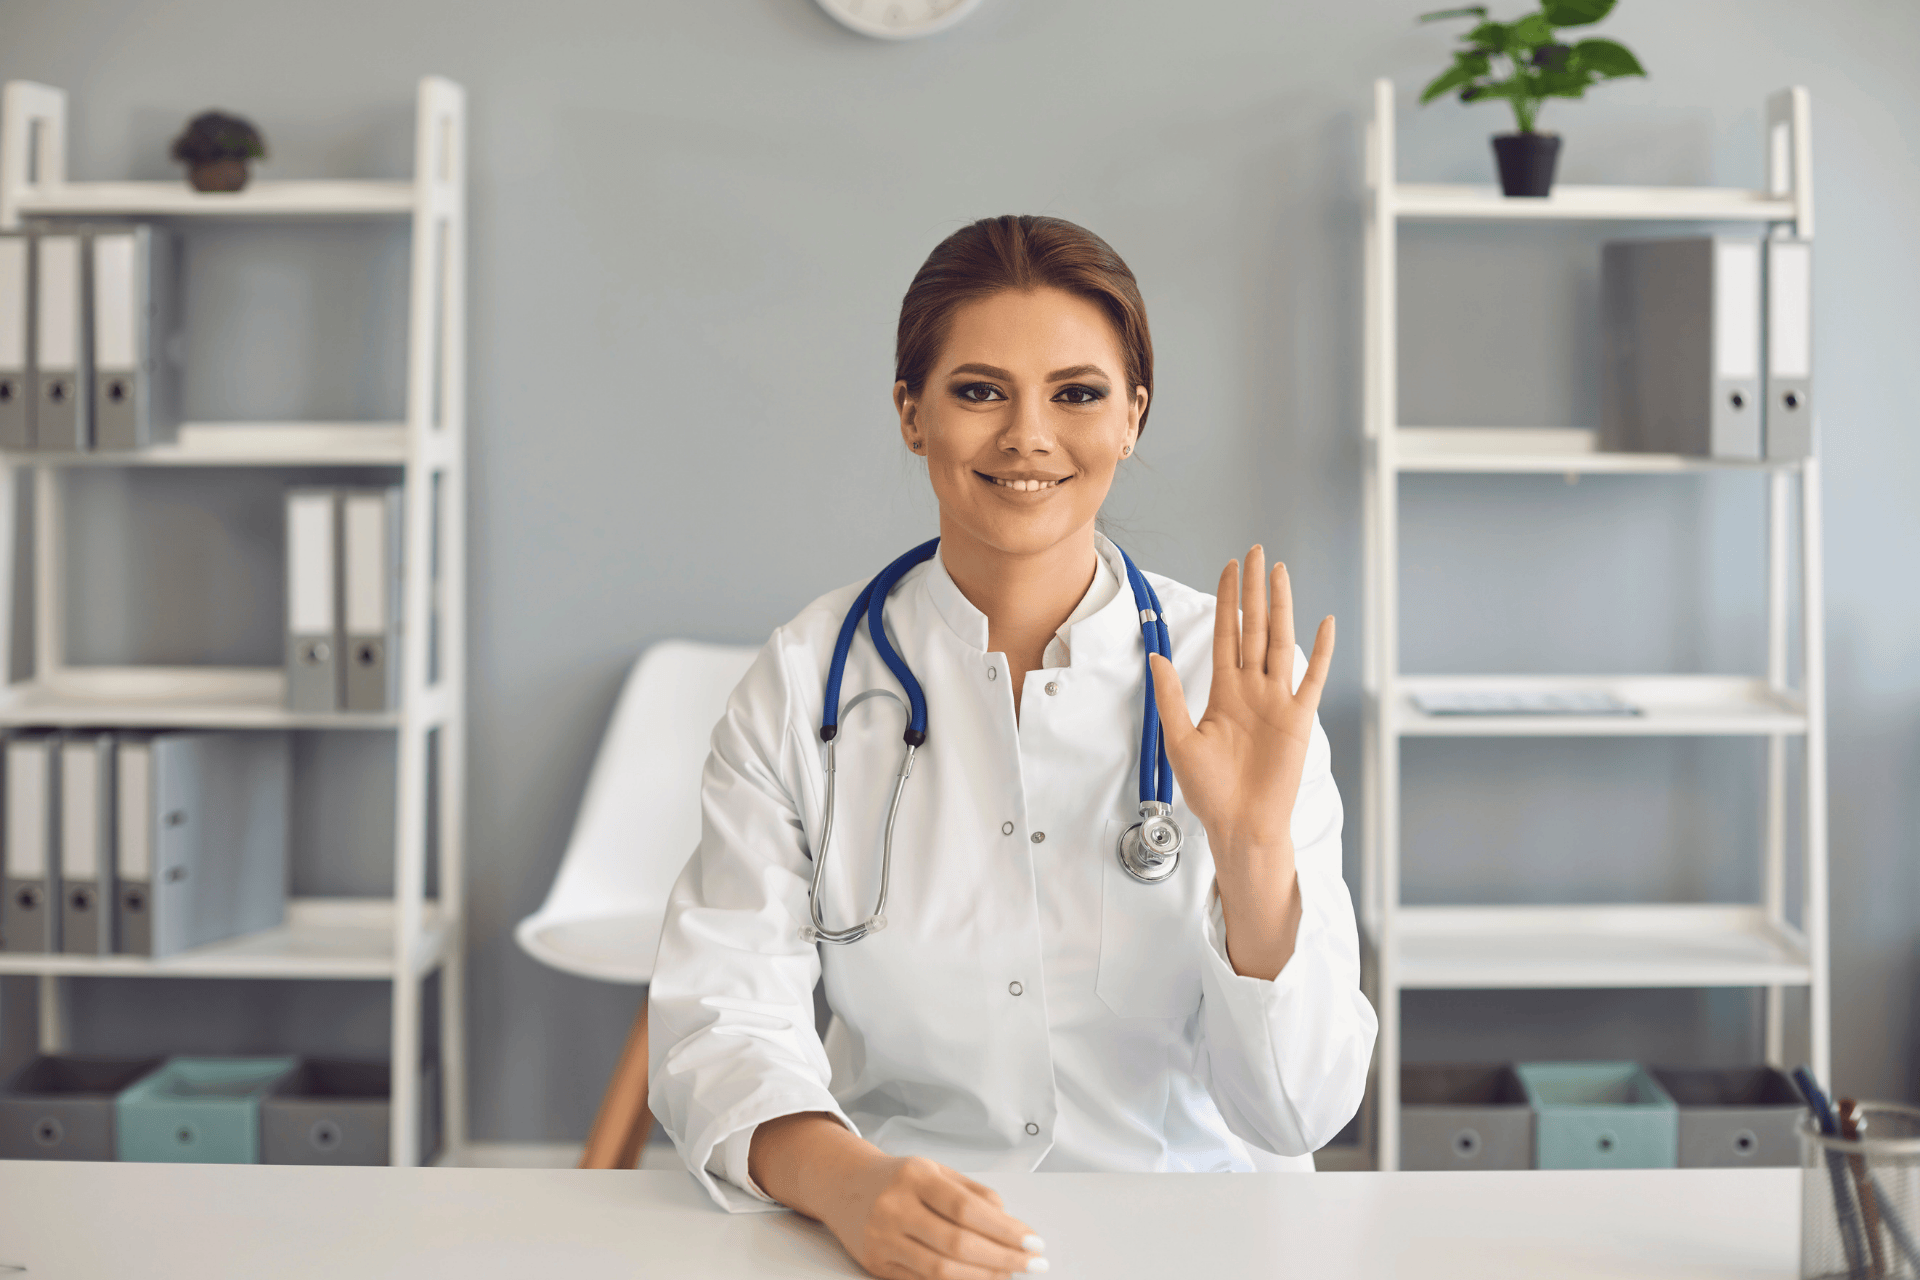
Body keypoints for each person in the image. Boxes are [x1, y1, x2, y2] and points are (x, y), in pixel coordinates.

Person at [648, 214, 1376, 1280]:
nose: (1028, 434)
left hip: (1201, 1239)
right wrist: (852, 1185)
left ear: (1133, 416)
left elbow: (1297, 1109)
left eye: (1077, 393)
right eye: (979, 390)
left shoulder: (1236, 684)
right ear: (911, 413)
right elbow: (720, 1019)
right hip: (905, 1236)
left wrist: (1256, 850)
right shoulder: (808, 680)